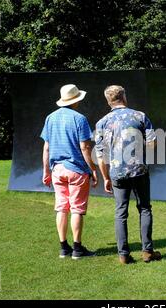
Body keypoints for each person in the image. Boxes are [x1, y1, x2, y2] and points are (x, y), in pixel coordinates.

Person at [95, 85, 161, 265]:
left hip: (116, 173)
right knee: (145, 208)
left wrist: (106, 178)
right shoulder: (139, 116)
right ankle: (147, 251)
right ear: (124, 96)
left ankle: (123, 254)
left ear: (108, 100)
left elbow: (100, 155)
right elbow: (153, 144)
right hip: (139, 170)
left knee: (120, 212)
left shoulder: (102, 122)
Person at [41, 84, 98, 259]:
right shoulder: (79, 119)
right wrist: (93, 169)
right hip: (77, 170)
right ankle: (77, 249)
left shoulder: (50, 118)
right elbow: (85, 148)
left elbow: (47, 148)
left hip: (57, 169)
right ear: (76, 100)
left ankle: (63, 247)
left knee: (61, 208)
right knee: (77, 209)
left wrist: (46, 171)